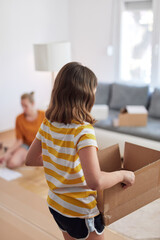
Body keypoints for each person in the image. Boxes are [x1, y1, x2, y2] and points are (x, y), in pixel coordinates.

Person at [25, 62, 135, 240]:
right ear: (86, 96)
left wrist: (59, 162)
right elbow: (95, 181)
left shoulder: (47, 122)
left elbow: (29, 159)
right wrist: (123, 175)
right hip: (80, 211)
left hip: (56, 205)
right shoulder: (83, 131)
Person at [0, 92, 45, 169]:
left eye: (25, 106)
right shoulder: (19, 118)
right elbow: (19, 140)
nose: (23, 109)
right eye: (22, 106)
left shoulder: (44, 115)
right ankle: (22, 154)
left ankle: (27, 156)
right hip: (26, 146)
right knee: (11, 163)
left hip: (41, 147)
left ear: (33, 104)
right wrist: (8, 153)